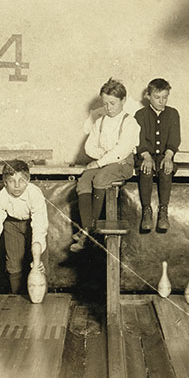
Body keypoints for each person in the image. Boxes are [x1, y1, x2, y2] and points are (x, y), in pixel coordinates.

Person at [71, 78, 140, 252]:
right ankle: (87, 228)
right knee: (84, 180)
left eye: (113, 103)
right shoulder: (100, 122)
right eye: (105, 103)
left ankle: (89, 233)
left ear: (123, 101)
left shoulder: (129, 122)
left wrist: (102, 160)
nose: (108, 108)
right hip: (106, 162)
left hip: (122, 163)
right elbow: (89, 147)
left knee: (100, 178)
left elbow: (122, 150)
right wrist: (103, 157)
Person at [0, 160, 49, 294]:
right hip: (11, 224)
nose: (17, 186)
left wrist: (38, 255)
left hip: (33, 225)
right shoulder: (0, 198)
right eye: (12, 181)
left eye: (22, 180)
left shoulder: (35, 194)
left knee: (39, 265)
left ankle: (41, 298)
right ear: (5, 182)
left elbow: (39, 225)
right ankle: (16, 301)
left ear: (29, 180)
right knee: (14, 266)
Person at [134, 78, 181, 233]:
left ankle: (163, 211)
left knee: (166, 169)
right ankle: (146, 211)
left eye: (165, 97)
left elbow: (174, 139)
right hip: (145, 155)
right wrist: (146, 157)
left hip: (164, 155)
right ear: (148, 96)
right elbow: (139, 140)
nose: (162, 101)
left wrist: (169, 156)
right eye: (157, 97)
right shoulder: (140, 115)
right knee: (146, 170)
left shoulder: (173, 114)